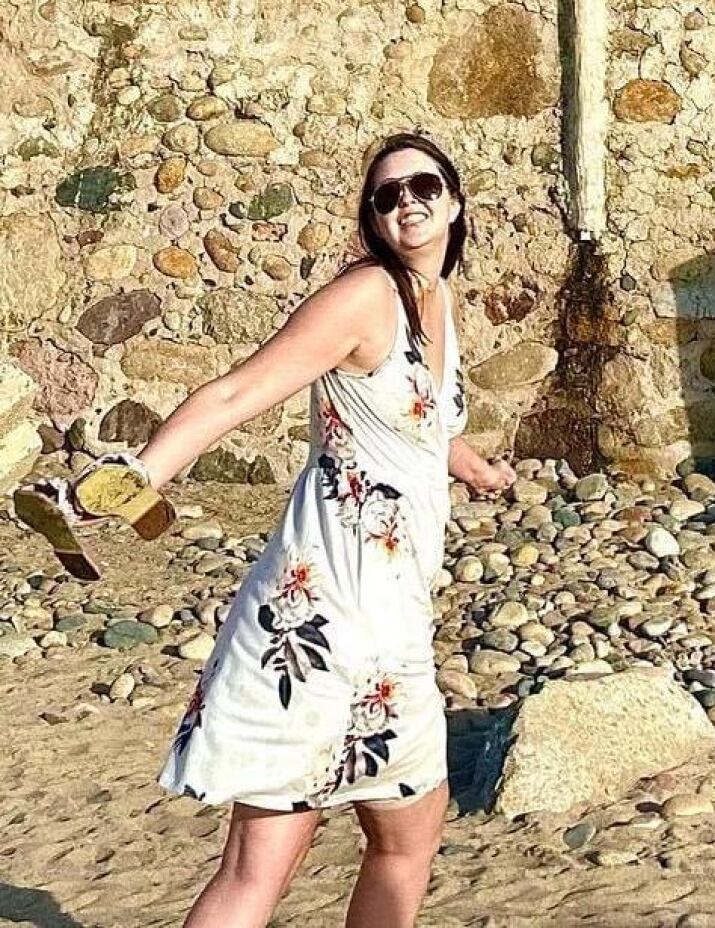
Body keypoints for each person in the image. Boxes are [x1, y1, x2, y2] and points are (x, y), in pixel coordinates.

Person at [131, 132, 514, 926]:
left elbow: (416, 418)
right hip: (319, 617)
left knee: (410, 831)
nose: (405, 201)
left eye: (421, 185)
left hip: (393, 623)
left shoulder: (433, 299)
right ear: (373, 219)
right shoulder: (367, 295)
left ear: (454, 200)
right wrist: (138, 478)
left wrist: (469, 464)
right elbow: (237, 393)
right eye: (386, 195)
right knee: (264, 862)